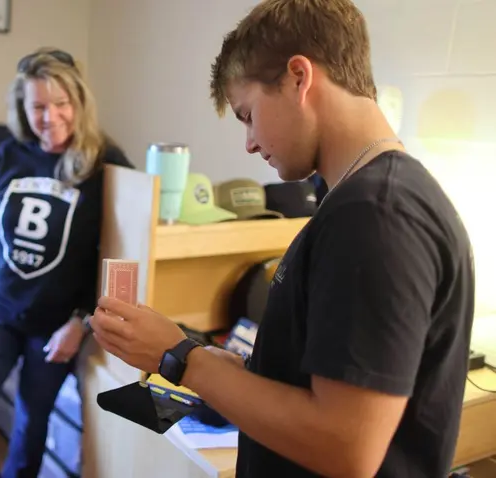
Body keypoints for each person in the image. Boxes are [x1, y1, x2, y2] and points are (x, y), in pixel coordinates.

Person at [90, 1, 475, 477]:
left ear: (298, 77)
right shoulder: (359, 201)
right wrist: (210, 361)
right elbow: (315, 388)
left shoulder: (375, 213)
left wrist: (180, 358)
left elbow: (345, 449)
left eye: (248, 114)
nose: (250, 142)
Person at [0, 47, 133, 478]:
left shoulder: (105, 163)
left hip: (57, 325)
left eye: (61, 104)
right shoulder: (8, 155)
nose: (50, 117)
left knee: (30, 425)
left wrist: (83, 320)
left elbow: (121, 255)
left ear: (79, 103)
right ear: (23, 107)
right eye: (38, 106)